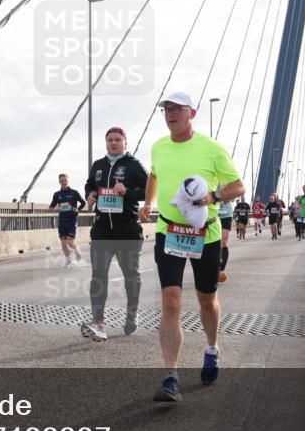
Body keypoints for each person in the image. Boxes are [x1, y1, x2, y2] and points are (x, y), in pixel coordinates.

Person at [140, 92, 244, 402]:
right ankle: (171, 376)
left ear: (192, 113)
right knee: (171, 302)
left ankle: (212, 348)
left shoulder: (211, 149)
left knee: (206, 299)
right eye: (166, 109)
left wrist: (214, 197)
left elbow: (238, 186)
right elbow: (154, 175)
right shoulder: (158, 146)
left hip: (205, 234)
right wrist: (149, 202)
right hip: (169, 231)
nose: (170, 114)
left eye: (177, 109)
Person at [82, 127, 148, 341]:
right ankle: (98, 322)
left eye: (117, 140)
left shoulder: (133, 165)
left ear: (125, 143)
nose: (113, 143)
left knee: (131, 275)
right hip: (102, 229)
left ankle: (132, 314)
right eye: (110, 140)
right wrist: (90, 195)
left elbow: (148, 190)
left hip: (127, 229)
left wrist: (127, 192)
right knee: (98, 275)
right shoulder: (98, 165)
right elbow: (90, 185)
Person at [49, 173, 86, 269]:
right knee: (63, 242)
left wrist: (78, 209)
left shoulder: (74, 193)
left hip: (72, 220)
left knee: (70, 242)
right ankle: (68, 261)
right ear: (59, 182)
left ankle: (77, 249)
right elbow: (52, 205)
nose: (64, 182)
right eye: (62, 181)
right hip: (62, 220)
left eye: (65, 180)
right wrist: (51, 208)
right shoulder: (57, 194)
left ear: (68, 181)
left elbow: (83, 203)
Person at [217, 192, 232, 282]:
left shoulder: (228, 180)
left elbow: (235, 194)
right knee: (215, 243)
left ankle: (221, 270)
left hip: (226, 215)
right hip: (213, 215)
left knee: (224, 242)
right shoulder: (209, 180)